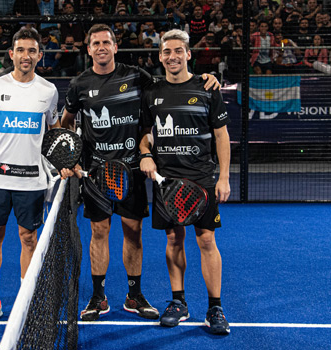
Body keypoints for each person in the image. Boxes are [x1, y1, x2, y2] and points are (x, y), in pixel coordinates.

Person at [60, 23, 219, 322]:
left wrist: (204, 79)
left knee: (133, 232)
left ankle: (134, 295)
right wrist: (70, 157)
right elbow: (65, 123)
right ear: (89, 49)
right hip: (95, 174)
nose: (101, 47)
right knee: (99, 231)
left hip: (132, 170)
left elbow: (172, 85)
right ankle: (98, 296)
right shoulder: (80, 84)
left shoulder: (136, 76)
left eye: (107, 42)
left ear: (116, 47)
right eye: (95, 43)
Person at [139, 29, 230, 335]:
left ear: (188, 54)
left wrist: (225, 177)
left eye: (178, 51)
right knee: (173, 240)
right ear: (160, 56)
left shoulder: (207, 88)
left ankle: (215, 307)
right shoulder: (151, 92)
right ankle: (179, 303)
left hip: (202, 177)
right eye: (167, 52)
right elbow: (145, 133)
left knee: (206, 241)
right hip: (167, 180)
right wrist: (145, 154)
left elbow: (221, 135)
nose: (172, 56)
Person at [0, 27, 60, 326]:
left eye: (32, 50)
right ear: (11, 54)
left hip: (32, 181)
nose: (26, 55)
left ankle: (26, 302)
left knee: (28, 238)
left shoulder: (48, 91)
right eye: (20, 50)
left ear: (39, 56)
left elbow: (55, 134)